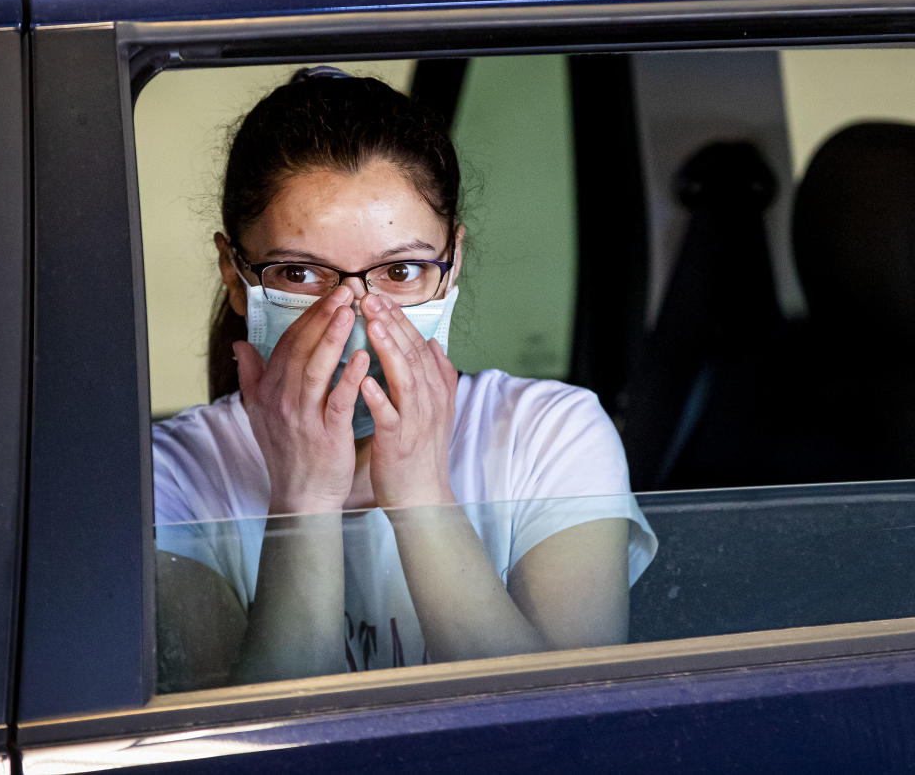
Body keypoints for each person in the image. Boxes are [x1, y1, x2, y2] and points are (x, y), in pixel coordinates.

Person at [152, 68, 656, 691]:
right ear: (236, 276)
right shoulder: (165, 476)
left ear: (452, 267)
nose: (356, 313)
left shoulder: (551, 433)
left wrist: (421, 495)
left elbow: (565, 734)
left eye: (402, 270)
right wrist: (304, 499)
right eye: (302, 275)